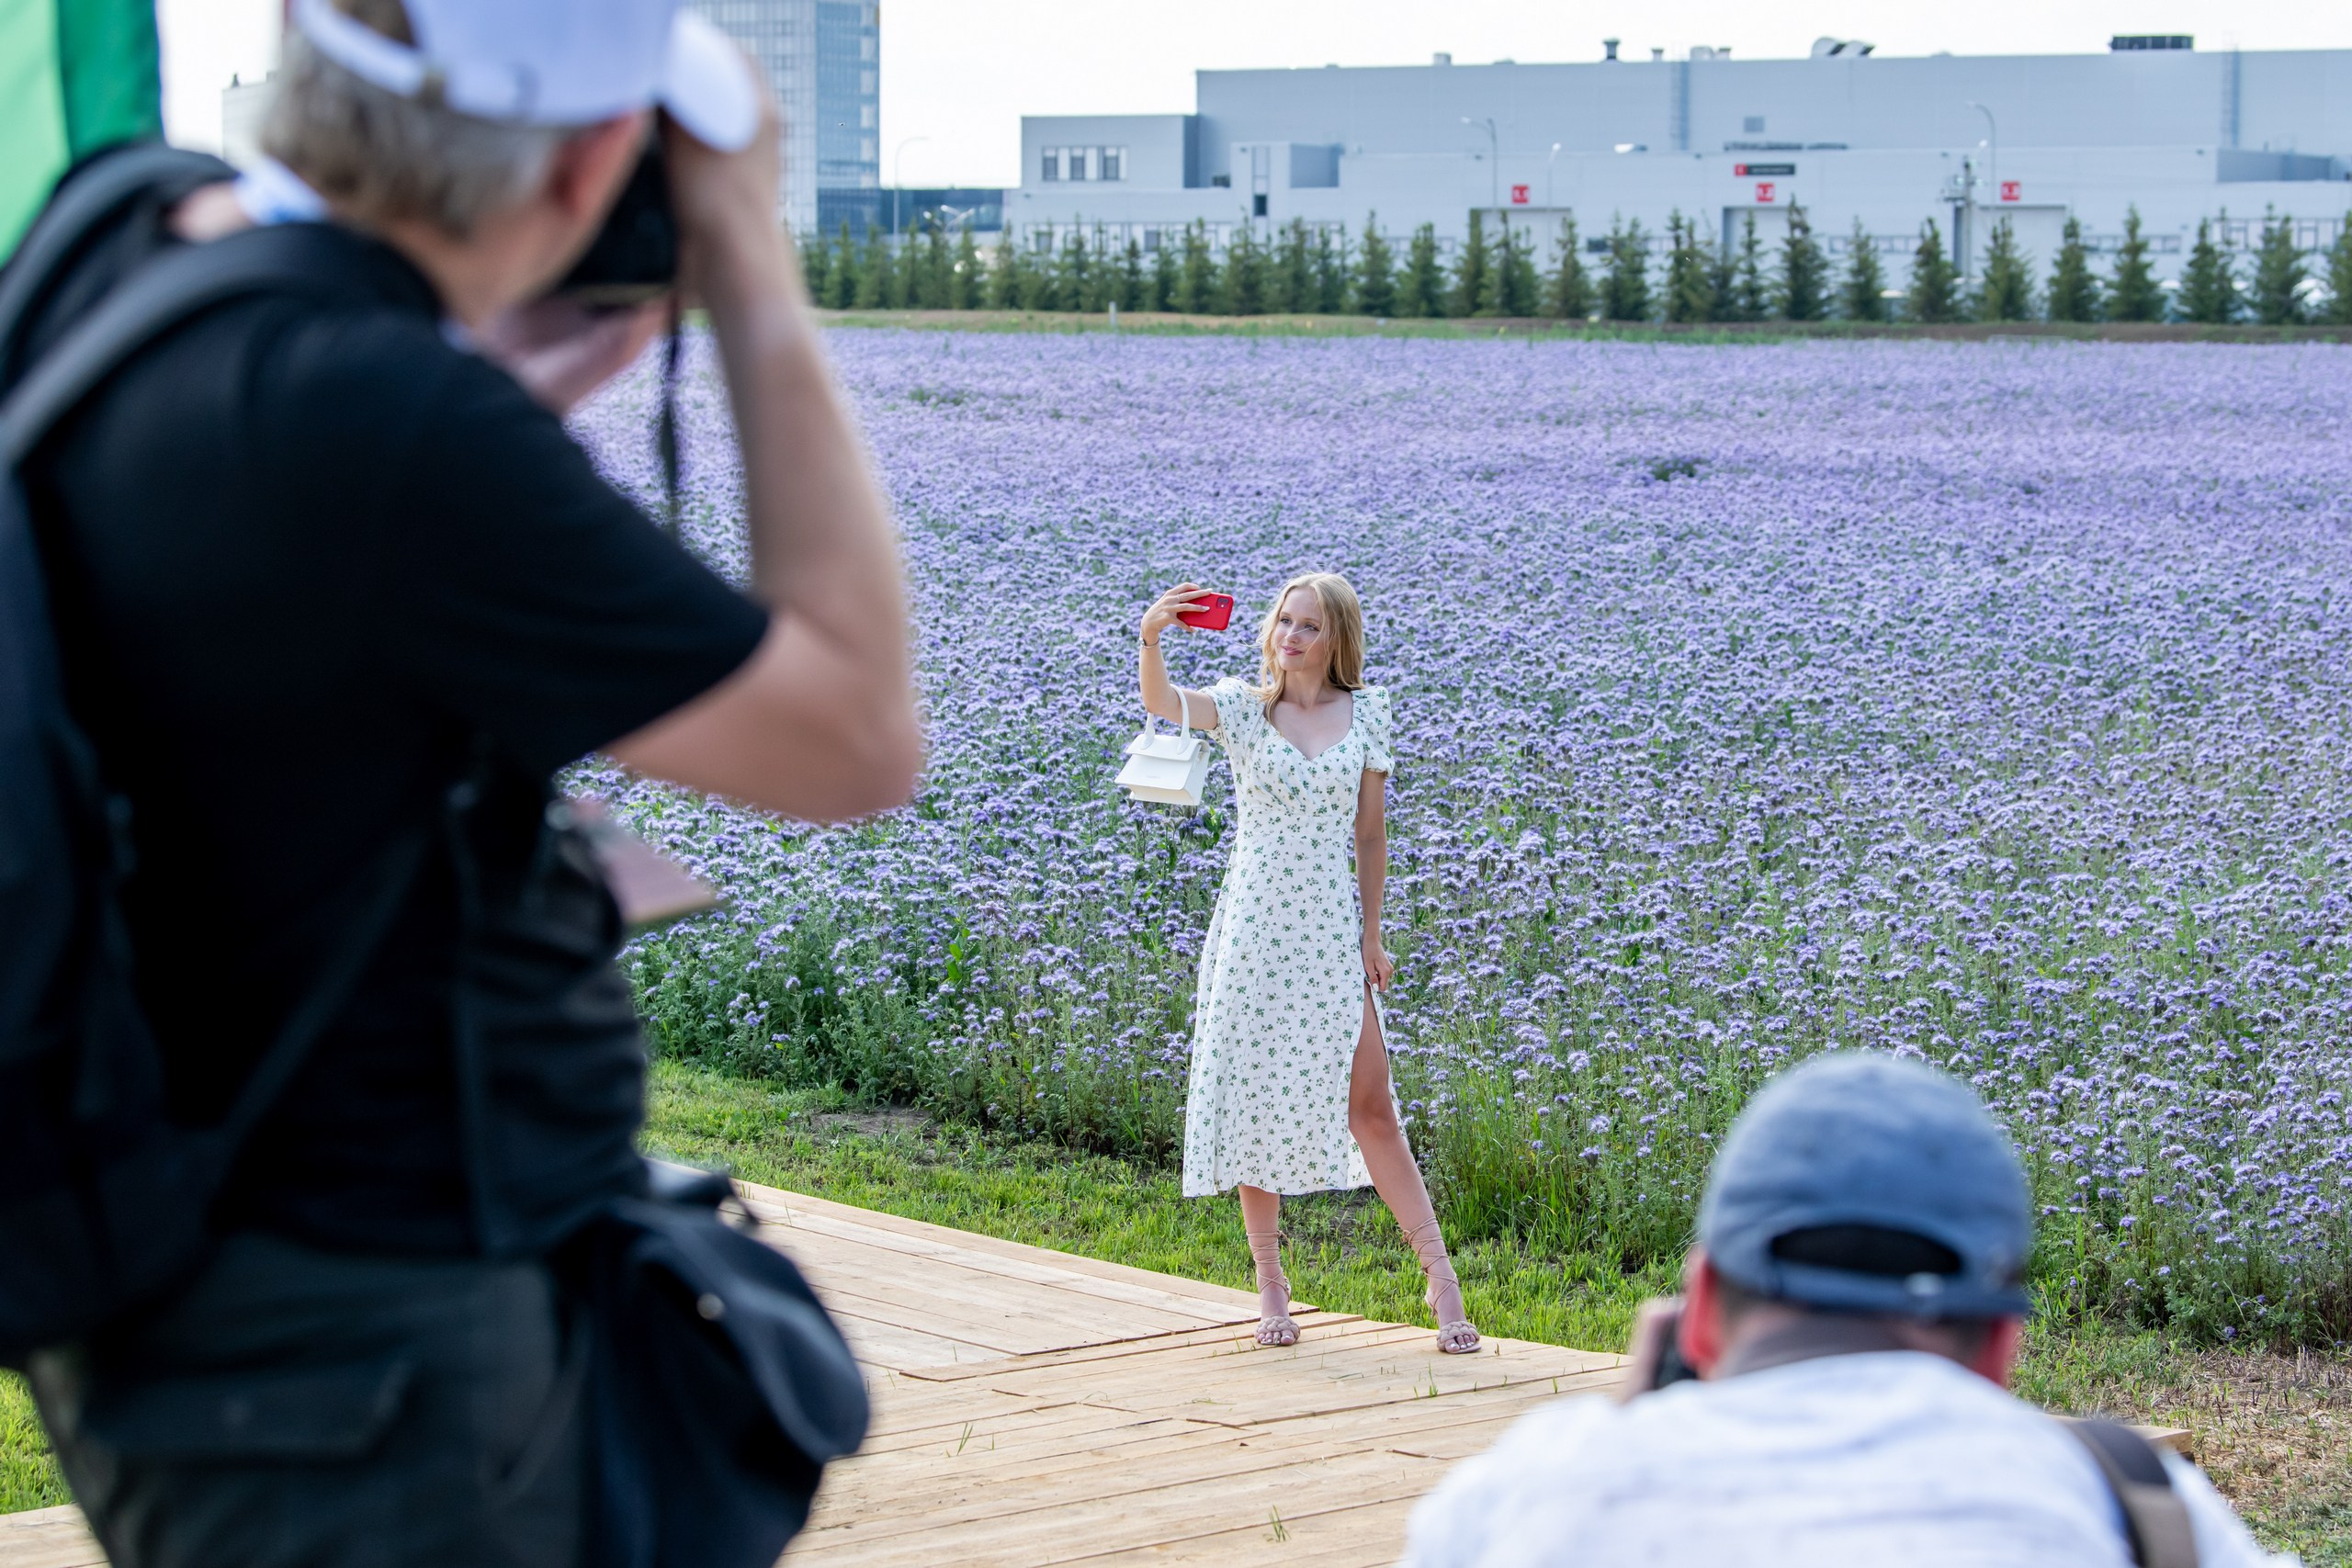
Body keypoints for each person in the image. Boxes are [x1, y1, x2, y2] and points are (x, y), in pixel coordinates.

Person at [11, 0, 917, 1562]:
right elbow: (850, 733)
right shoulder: (375, 421)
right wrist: (751, 261)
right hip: (363, 1348)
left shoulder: (121, 236)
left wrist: (481, 384)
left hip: (206, 1296)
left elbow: (289, 607)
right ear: (583, 171)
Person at [1401, 1053, 2290, 1568]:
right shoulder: (2135, 1505)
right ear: (2001, 1349)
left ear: (1700, 1310)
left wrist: (1615, 1431)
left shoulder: (1515, 1500)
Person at [1138, 574, 1478, 1355]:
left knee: (1372, 1101)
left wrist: (1373, 935)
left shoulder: (1369, 713)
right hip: (1255, 926)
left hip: (1329, 928)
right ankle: (1270, 1288)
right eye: (1283, 620)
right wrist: (1153, 635)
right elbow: (1163, 705)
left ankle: (1440, 1279)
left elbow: (1371, 837)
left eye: (1309, 626)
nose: (1290, 636)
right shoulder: (1241, 706)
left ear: (1336, 640)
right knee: (1256, 1096)